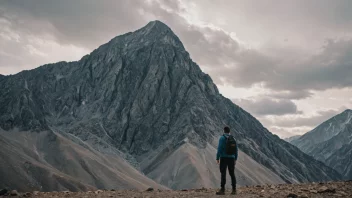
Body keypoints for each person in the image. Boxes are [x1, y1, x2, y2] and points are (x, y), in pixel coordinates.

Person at [216, 126, 238, 195]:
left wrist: (217, 158)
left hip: (224, 158)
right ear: (229, 131)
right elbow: (236, 150)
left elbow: (219, 149)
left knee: (223, 173)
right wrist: (235, 158)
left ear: (224, 131)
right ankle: (234, 190)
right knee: (232, 174)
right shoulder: (233, 138)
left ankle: (222, 190)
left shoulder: (222, 138)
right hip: (232, 158)